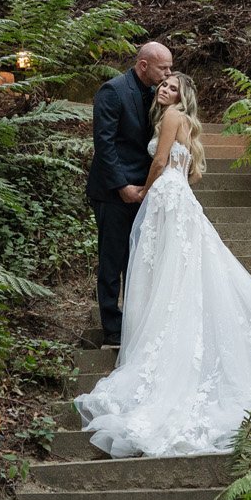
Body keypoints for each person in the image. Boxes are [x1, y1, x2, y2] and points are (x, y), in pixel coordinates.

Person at [75, 73, 251, 458]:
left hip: (165, 195)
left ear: (183, 96)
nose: (165, 89)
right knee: (174, 270)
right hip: (177, 195)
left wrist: (143, 190)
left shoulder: (173, 116)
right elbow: (186, 167)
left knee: (169, 270)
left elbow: (160, 160)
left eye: (173, 86)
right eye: (163, 84)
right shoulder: (179, 121)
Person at [88, 41, 173, 346]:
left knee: (139, 259)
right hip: (113, 191)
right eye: (164, 68)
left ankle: (136, 321)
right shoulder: (112, 91)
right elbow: (105, 143)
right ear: (143, 65)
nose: (169, 73)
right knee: (113, 258)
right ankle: (112, 326)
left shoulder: (161, 95)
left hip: (146, 190)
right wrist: (122, 186)